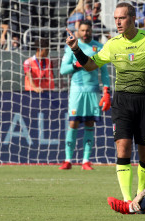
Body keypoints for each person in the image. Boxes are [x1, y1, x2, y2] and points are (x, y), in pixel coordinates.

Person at [64, 2, 145, 201]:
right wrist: (76, 50)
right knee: (122, 146)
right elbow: (90, 65)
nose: (118, 22)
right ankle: (127, 200)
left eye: (121, 18)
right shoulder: (112, 43)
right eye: (115, 19)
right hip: (122, 100)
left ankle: (141, 195)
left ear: (133, 19)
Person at [59, 20, 110, 170]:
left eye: (88, 30)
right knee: (73, 123)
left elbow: (105, 72)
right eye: (82, 30)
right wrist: (76, 65)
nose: (85, 33)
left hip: (93, 90)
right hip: (77, 90)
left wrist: (106, 90)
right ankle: (68, 159)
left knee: (89, 124)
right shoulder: (72, 47)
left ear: (91, 30)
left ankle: (85, 161)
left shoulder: (99, 47)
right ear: (78, 31)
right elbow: (63, 70)